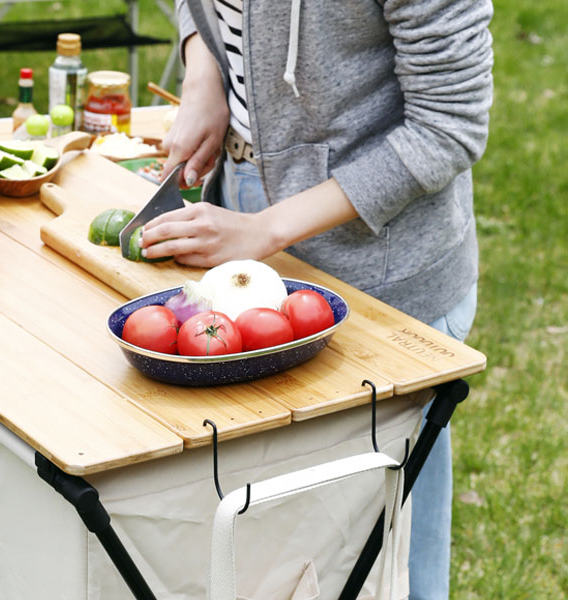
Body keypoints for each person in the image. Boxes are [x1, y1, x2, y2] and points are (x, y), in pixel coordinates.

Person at [142, 0, 494, 597]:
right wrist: (205, 73)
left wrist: (268, 229)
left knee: (388, 559)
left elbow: (448, 125)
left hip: (382, 264)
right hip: (239, 227)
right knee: (271, 540)